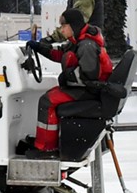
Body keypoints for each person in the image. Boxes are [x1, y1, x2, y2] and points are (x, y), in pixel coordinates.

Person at [21, 15, 113, 156]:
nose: (61, 30)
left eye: (64, 26)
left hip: (89, 90)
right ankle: (45, 140)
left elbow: (89, 76)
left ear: (73, 27)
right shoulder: (78, 41)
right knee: (49, 95)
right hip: (84, 88)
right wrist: (39, 47)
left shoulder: (86, 45)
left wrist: (68, 75)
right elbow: (60, 55)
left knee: (47, 101)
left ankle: (47, 147)